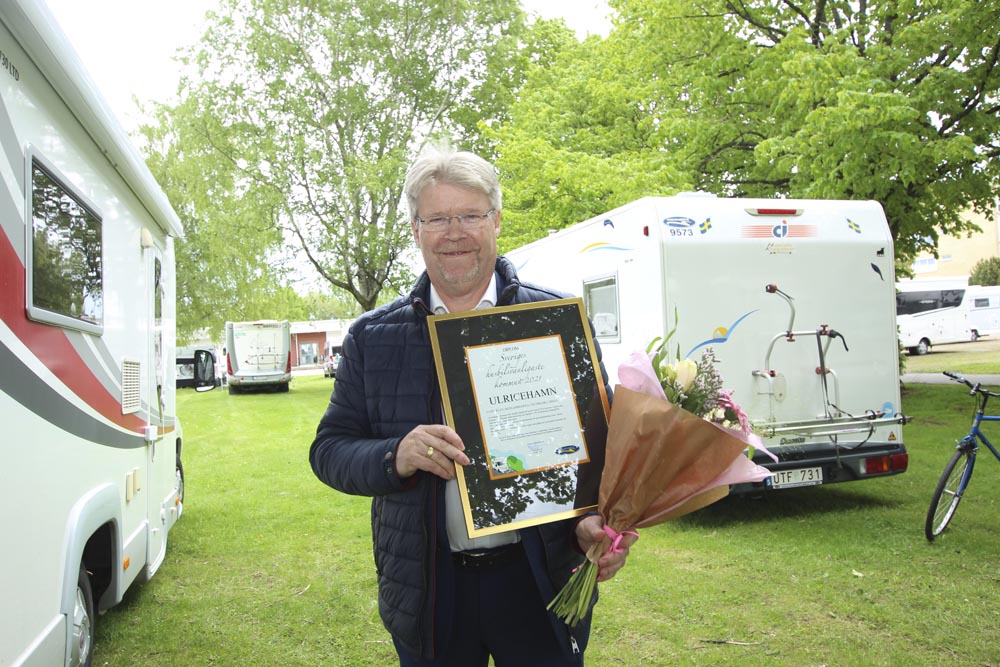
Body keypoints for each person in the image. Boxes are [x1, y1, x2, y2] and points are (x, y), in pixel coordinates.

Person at [309, 146, 637, 666]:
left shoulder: (554, 321)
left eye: (469, 215)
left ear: (497, 221)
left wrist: (592, 520)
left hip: (538, 579)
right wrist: (397, 454)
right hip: (429, 588)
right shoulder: (374, 337)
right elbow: (329, 450)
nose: (453, 232)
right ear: (416, 230)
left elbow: (602, 447)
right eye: (437, 217)